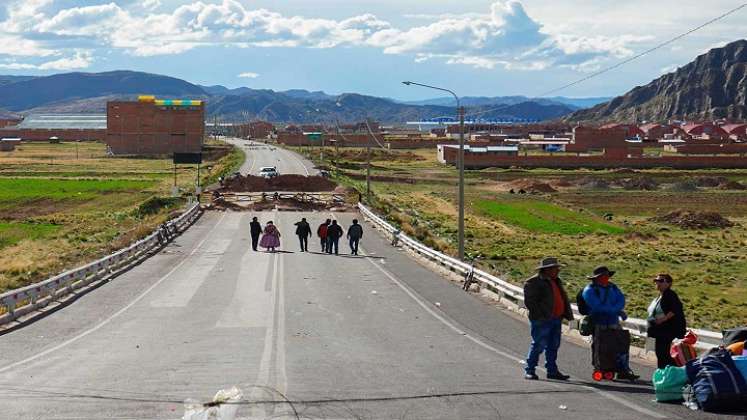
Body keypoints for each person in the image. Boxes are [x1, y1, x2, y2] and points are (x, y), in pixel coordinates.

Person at [582, 266, 638, 380]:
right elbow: (596, 306)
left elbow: (621, 299)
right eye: (604, 276)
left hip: (613, 321)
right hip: (599, 322)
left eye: (607, 276)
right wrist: (615, 310)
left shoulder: (613, 287)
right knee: (600, 346)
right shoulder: (590, 290)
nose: (606, 278)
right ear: (597, 278)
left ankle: (622, 369)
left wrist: (615, 310)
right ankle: (600, 368)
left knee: (619, 345)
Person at [523, 257, 574, 380]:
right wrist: (542, 315)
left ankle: (552, 370)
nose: (558, 271)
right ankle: (530, 369)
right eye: (555, 268)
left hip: (556, 318)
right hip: (542, 320)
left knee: (553, 345)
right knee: (538, 345)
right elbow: (531, 302)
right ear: (547, 270)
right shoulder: (534, 282)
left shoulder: (556, 280)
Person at [646, 273, 686, 369]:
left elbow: (675, 309)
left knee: (663, 354)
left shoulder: (670, 294)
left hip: (667, 331)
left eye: (661, 281)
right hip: (660, 331)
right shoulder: (661, 296)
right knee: (660, 354)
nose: (658, 283)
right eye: (656, 281)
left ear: (669, 283)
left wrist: (662, 319)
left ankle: (671, 374)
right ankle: (663, 373)